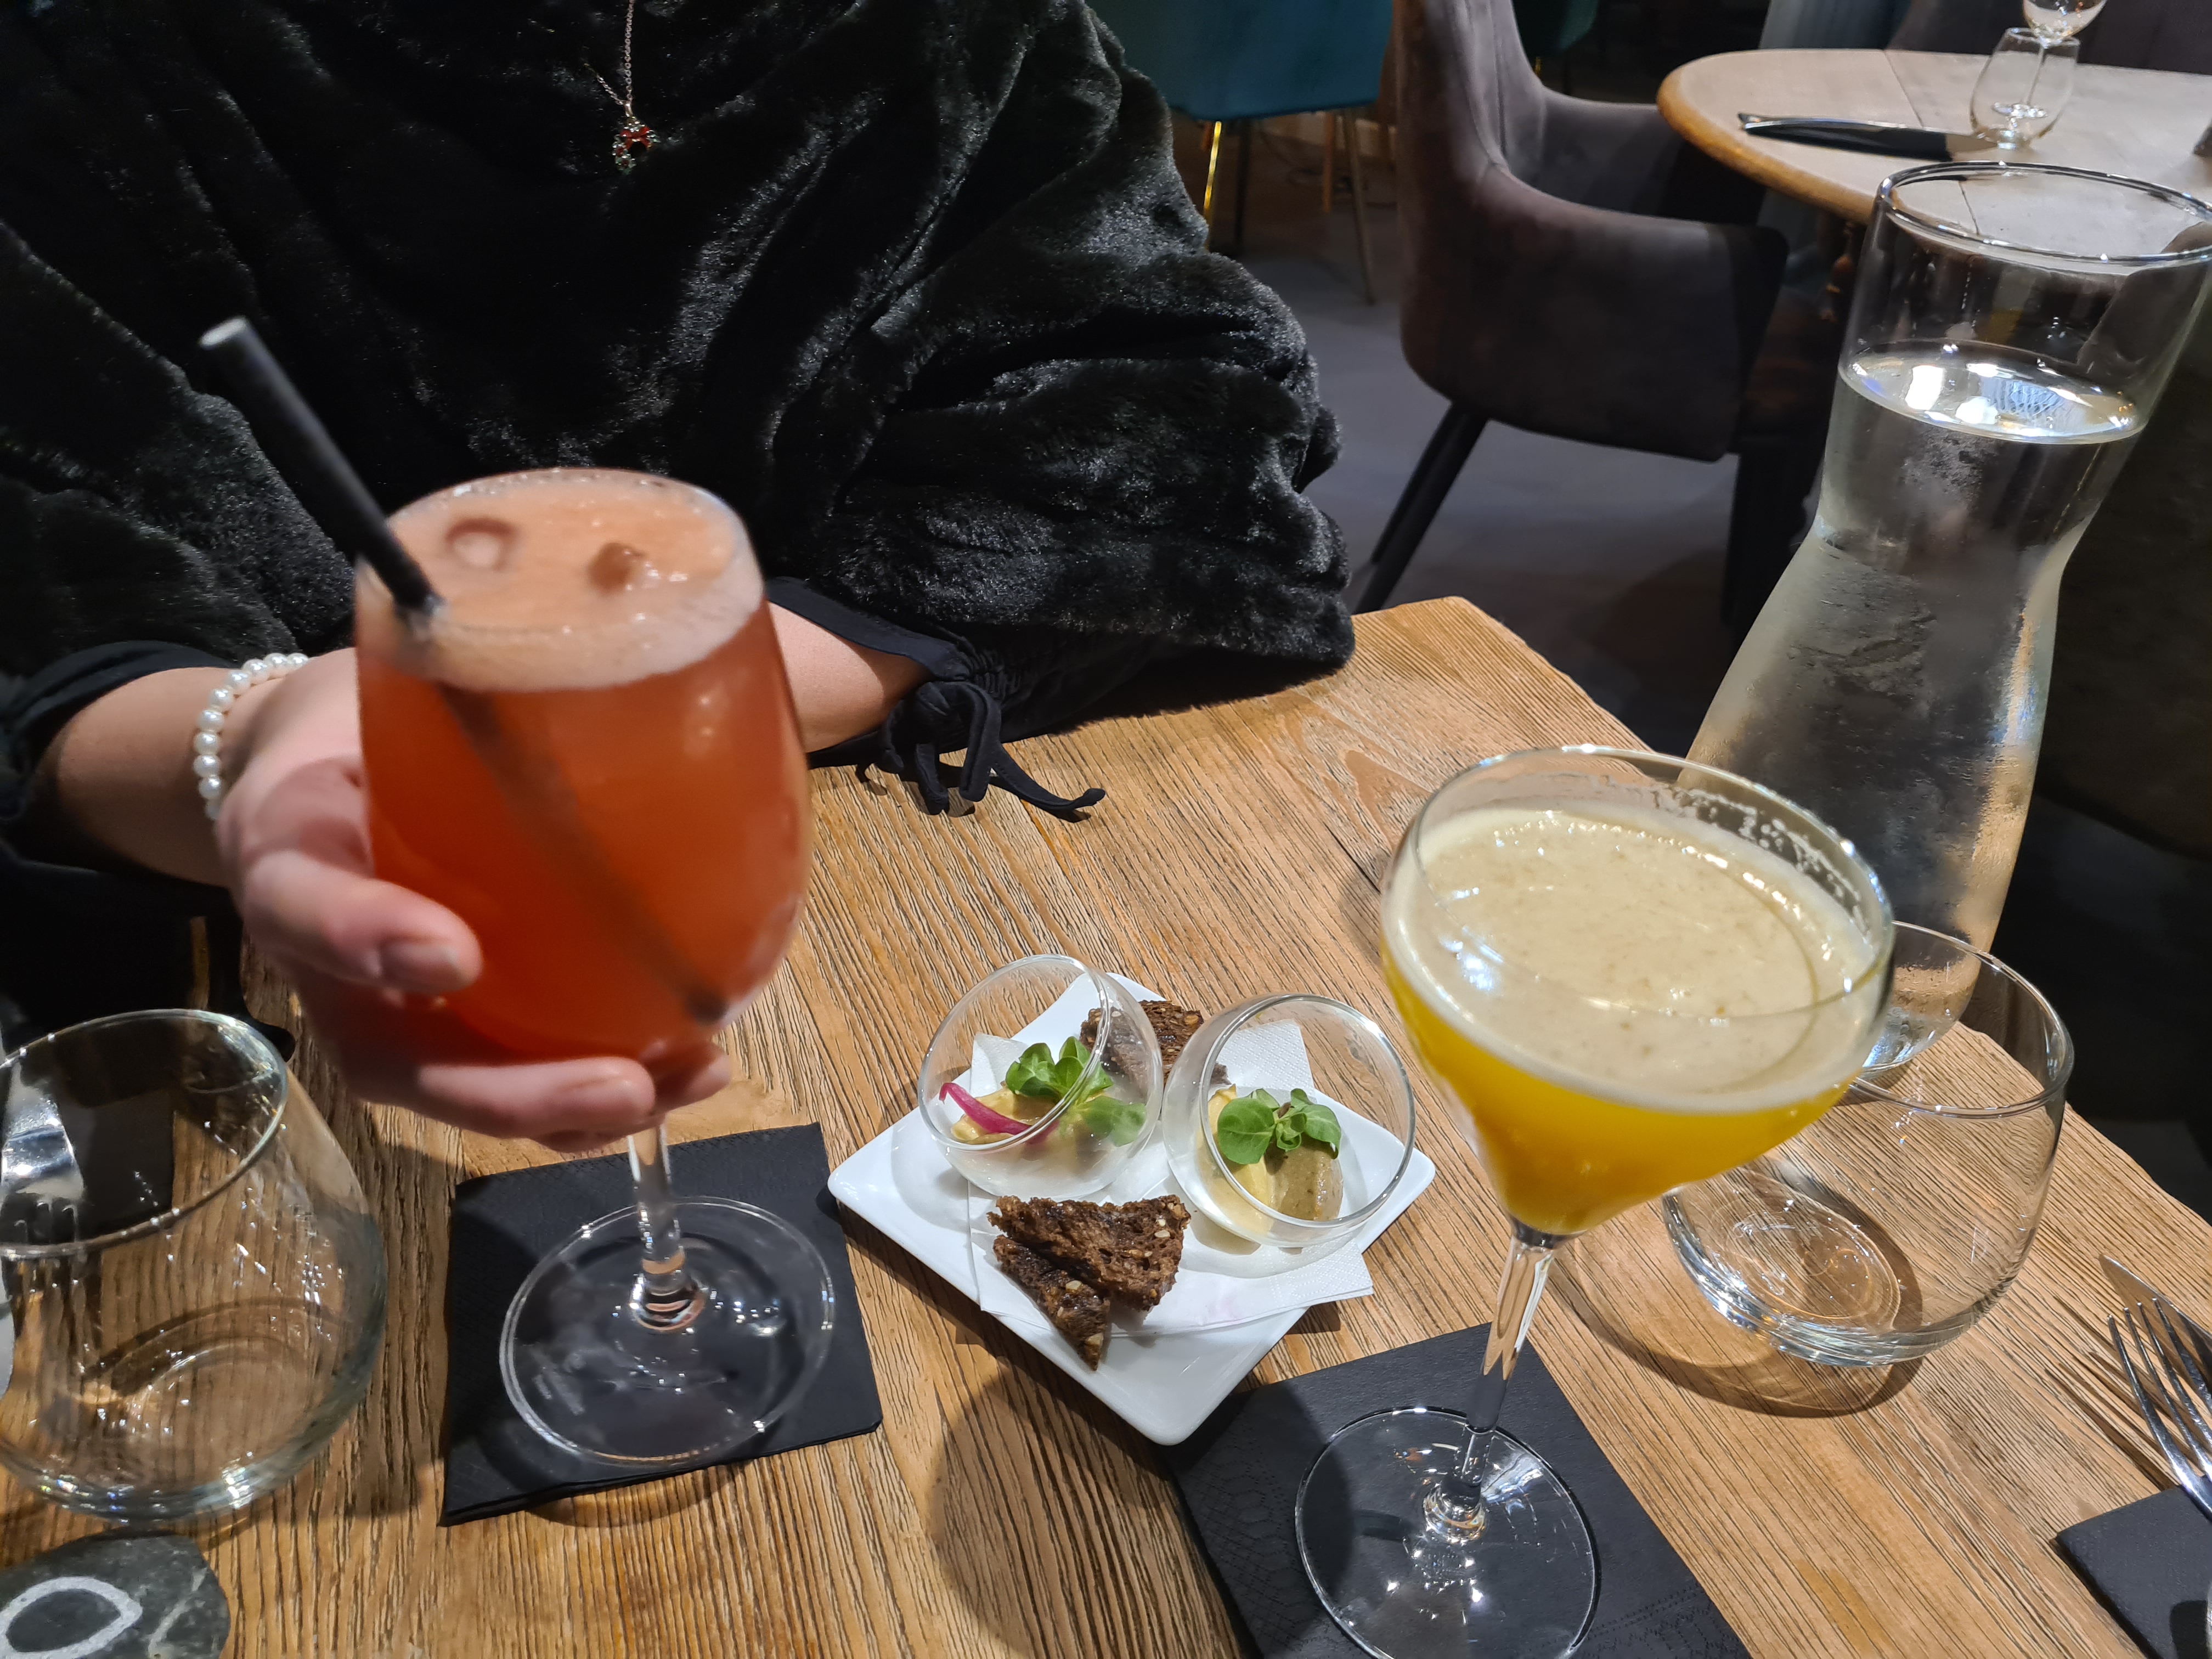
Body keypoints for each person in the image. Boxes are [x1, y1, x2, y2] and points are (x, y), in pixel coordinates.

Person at [0, 0, 1351, 1148]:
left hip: (905, 893)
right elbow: (50, 595)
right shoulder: (99, 75)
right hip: (302, 1051)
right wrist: (250, 742)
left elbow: (1178, 414)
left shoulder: (967, 34)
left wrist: (699, 706)